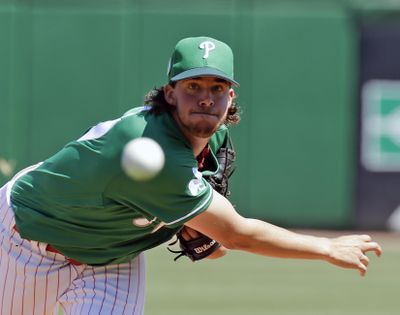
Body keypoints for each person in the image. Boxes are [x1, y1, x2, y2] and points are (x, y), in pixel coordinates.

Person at [0, 36, 381, 315]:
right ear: (170, 93)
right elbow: (235, 235)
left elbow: (215, 248)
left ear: (231, 97)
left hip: (111, 258)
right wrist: (327, 248)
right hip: (26, 241)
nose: (205, 98)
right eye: (192, 86)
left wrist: (200, 229)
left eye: (218, 88)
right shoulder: (150, 147)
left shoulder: (213, 139)